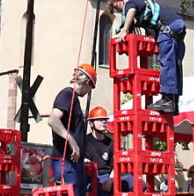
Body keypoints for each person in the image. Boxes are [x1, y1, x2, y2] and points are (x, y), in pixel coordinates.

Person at [109, 0, 186, 114]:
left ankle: (167, 99)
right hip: (176, 29)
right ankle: (174, 102)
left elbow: (131, 10)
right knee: (175, 65)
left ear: (120, 0)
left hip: (168, 29)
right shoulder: (146, 10)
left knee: (166, 62)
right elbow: (151, 33)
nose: (119, 11)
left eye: (117, 8)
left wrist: (125, 30)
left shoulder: (131, 2)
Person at [48, 64, 96, 196]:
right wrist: (71, 139)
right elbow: (53, 120)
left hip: (73, 162)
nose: (88, 92)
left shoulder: (72, 97)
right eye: (90, 88)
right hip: (66, 160)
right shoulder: (67, 94)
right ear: (86, 82)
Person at [84, 106, 134, 196]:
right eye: (100, 120)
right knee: (98, 189)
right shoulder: (84, 142)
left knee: (137, 182)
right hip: (95, 178)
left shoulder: (111, 143)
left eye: (105, 120)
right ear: (91, 123)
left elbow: (116, 165)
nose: (103, 122)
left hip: (111, 176)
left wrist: (111, 180)